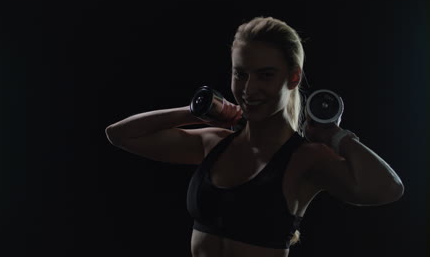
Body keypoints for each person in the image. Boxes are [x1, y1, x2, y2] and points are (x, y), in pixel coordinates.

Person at [105, 16, 404, 257]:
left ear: (293, 77)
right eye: (240, 74)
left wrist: (335, 135)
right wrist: (198, 110)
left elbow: (388, 189)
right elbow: (120, 135)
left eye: (265, 75)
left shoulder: (306, 158)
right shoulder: (214, 143)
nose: (249, 89)